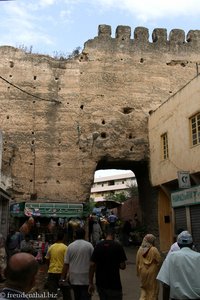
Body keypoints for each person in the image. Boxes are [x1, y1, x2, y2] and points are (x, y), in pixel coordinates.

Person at [157, 230, 200, 300]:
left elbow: (165, 285)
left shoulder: (171, 257)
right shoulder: (198, 257)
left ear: (178, 244)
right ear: (192, 244)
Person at [89, 227, 127, 300]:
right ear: (113, 235)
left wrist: (90, 282)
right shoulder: (118, 246)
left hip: (101, 283)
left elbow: (92, 265)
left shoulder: (98, 246)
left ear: (105, 234)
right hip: (114, 283)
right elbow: (122, 266)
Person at [61, 227, 94, 300]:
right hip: (86, 278)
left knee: (76, 297)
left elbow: (66, 264)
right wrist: (91, 281)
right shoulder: (89, 246)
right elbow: (93, 264)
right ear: (84, 235)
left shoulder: (70, 246)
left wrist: (62, 278)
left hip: (73, 278)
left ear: (75, 236)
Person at [136, 233, 161, 300]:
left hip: (142, 271)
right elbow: (159, 260)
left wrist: (138, 272)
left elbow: (137, 262)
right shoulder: (154, 249)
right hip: (152, 272)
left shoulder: (140, 249)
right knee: (152, 290)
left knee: (144, 288)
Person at [45, 230, 69, 300]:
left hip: (52, 272)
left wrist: (50, 266)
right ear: (63, 238)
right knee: (66, 292)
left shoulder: (51, 247)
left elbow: (47, 259)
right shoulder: (65, 247)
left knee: (52, 293)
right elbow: (67, 262)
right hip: (62, 273)